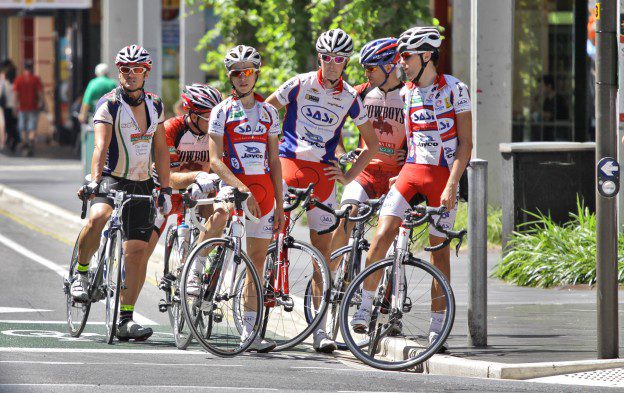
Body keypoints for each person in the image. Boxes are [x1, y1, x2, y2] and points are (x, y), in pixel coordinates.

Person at [350, 27, 473, 352]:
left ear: (427, 56)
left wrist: (451, 186)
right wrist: (399, 173)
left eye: (406, 56)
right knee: (382, 232)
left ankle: (436, 326)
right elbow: (410, 141)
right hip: (412, 173)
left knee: (438, 253)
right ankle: (364, 308)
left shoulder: (455, 90)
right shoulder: (406, 93)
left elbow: (465, 145)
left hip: (443, 176)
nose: (401, 62)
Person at [266, 28, 378, 353]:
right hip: (289, 163)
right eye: (327, 58)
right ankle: (264, 295)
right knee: (271, 231)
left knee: (323, 254)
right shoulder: (299, 83)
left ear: (345, 63)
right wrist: (263, 150)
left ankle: (320, 330)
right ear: (320, 58)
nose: (332, 64)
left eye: (339, 60)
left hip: (324, 174)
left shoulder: (351, 97)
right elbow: (266, 111)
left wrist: (348, 176)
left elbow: (371, 145)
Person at [71, 45, 172, 341]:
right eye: (125, 69)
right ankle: (82, 272)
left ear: (146, 73)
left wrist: (165, 188)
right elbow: (100, 147)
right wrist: (94, 180)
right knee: (99, 216)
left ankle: (125, 318)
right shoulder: (109, 104)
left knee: (137, 252)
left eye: (136, 69)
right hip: (112, 177)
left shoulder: (155, 105)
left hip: (142, 182)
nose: (130, 74)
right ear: (119, 72)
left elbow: (161, 150)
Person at [208, 45, 285, 352]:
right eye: (237, 73)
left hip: (265, 194)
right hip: (236, 189)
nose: (242, 78)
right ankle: (202, 268)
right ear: (230, 77)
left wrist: (280, 204)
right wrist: (242, 188)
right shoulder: (221, 111)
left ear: (256, 75)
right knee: (220, 219)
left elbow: (275, 161)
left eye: (248, 72)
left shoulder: (269, 112)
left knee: (256, 262)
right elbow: (215, 160)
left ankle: (250, 332)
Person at [144, 83, 229, 295]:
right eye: (208, 117)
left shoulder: (217, 132)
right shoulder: (172, 129)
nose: (213, 122)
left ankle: (199, 272)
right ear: (192, 113)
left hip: (203, 189)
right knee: (141, 250)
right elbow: (169, 177)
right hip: (168, 189)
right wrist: (197, 175)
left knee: (218, 218)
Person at [330, 37, 406, 255]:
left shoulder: (410, 94)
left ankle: (379, 288)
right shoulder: (360, 92)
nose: (366, 74)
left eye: (371, 68)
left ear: (390, 66)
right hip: (364, 172)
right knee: (346, 216)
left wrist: (410, 154)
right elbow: (332, 122)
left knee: (388, 240)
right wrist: (341, 153)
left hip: (397, 176)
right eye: (365, 68)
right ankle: (331, 282)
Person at [13, 60, 43, 156]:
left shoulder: (19, 79)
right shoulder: (35, 79)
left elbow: (16, 95)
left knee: (23, 127)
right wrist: (42, 103)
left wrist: (15, 106)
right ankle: (30, 142)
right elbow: (40, 93)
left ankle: (25, 143)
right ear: (32, 68)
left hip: (22, 107)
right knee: (32, 127)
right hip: (33, 107)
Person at [0, 64, 16, 151]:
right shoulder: (16, 83)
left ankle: (6, 140)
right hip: (15, 107)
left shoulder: (3, 84)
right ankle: (12, 140)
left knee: (6, 125)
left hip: (6, 107)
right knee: (13, 125)